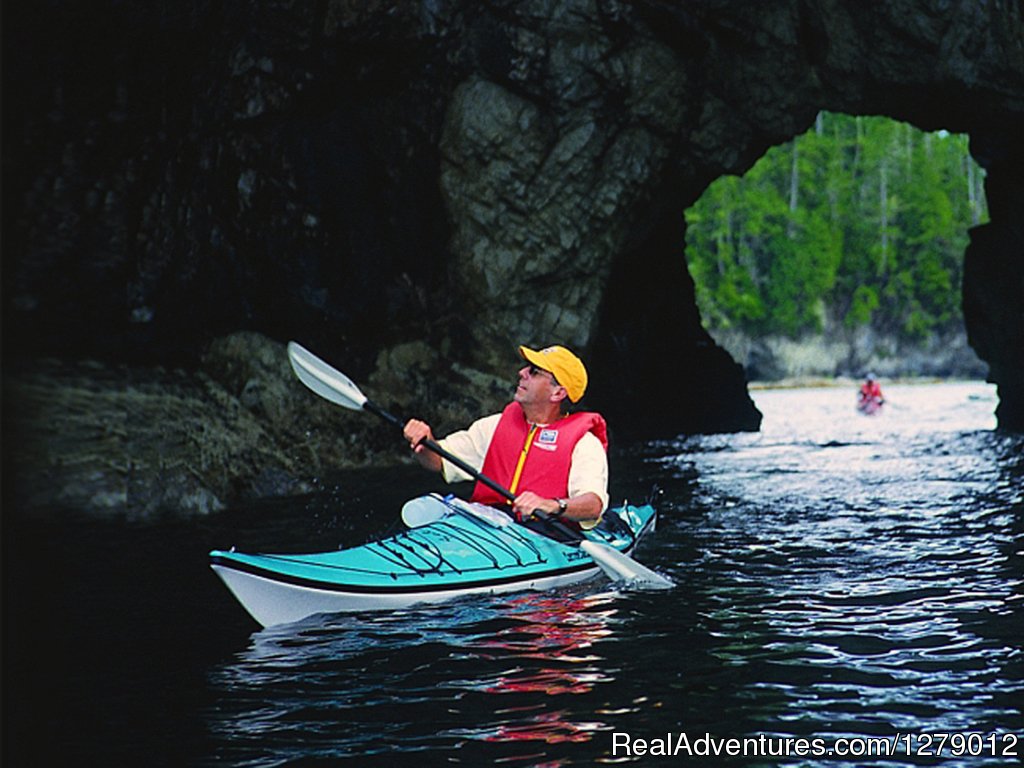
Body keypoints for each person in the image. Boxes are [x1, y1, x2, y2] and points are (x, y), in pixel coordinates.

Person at [403, 344, 608, 531]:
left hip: (545, 533)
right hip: (490, 525)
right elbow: (439, 462)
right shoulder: (495, 426)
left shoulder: (585, 444)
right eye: (526, 367)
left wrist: (550, 505)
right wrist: (426, 444)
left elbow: (592, 505)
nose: (522, 373)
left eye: (534, 372)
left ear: (557, 393)